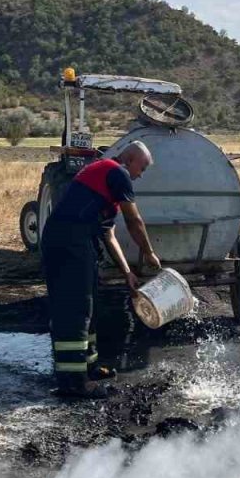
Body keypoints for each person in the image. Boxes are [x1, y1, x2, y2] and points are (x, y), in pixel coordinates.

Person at [40, 141, 161, 398]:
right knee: (75, 308)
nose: (141, 175)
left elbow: (109, 235)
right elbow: (134, 221)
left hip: (77, 242)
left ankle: (89, 367)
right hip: (68, 241)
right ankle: (73, 383)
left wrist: (127, 271)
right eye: (143, 167)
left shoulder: (105, 182)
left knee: (89, 306)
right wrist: (149, 252)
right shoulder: (115, 171)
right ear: (130, 160)